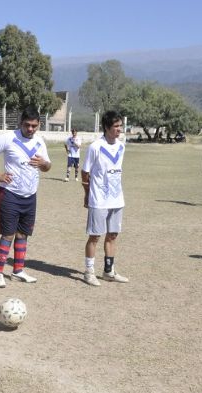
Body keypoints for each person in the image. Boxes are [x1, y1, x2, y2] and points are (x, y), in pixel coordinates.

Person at [0, 106, 52, 288]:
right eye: (27, 125)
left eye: (34, 126)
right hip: (9, 194)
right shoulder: (8, 138)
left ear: (39, 125)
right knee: (8, 234)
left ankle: (18, 270)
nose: (30, 129)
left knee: (23, 234)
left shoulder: (39, 141)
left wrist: (44, 163)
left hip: (30, 196)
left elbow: (47, 167)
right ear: (20, 123)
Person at [81, 111, 129, 286]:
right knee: (94, 236)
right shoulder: (95, 147)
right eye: (116, 126)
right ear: (107, 127)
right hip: (99, 199)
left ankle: (109, 271)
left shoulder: (122, 146)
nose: (119, 129)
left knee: (113, 235)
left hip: (117, 199)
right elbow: (85, 173)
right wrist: (87, 194)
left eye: (120, 126)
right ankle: (89, 272)